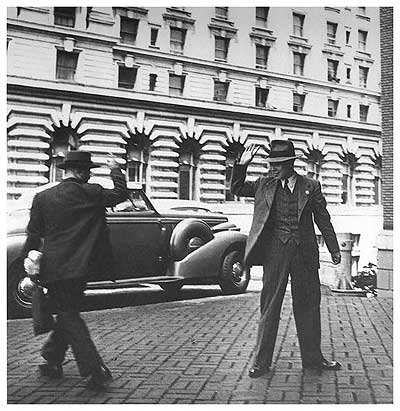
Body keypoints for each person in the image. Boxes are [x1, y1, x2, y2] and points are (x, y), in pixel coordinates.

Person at [231, 140, 342, 378]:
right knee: (270, 306)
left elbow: (323, 219)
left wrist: (334, 248)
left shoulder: (311, 186)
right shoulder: (264, 185)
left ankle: (313, 359)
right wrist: (241, 166)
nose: (273, 168)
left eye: (279, 164)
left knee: (309, 306)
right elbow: (237, 188)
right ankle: (261, 363)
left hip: (304, 254)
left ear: (290, 163)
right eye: (271, 164)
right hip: (276, 252)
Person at [22, 150, 128, 390]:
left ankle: (52, 359)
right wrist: (115, 169)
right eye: (88, 172)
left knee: (67, 313)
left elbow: (34, 234)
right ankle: (91, 369)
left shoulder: (42, 197)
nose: (89, 176)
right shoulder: (92, 193)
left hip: (54, 267)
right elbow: (121, 194)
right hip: (82, 268)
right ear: (80, 172)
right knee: (69, 314)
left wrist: (29, 265)